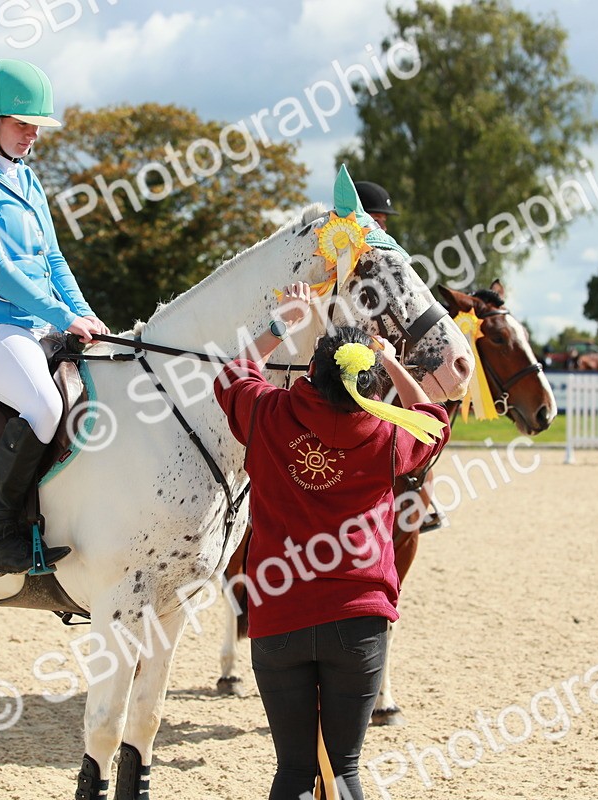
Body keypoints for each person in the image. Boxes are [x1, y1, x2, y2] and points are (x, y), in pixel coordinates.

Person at [213, 283, 449, 800]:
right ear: (365, 385)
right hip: (358, 618)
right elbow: (434, 420)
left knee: (293, 772)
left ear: (311, 375)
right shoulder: (389, 437)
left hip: (278, 616)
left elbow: (232, 374)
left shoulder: (268, 414)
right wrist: (391, 364)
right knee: (343, 772)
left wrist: (282, 324)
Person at [0, 58, 109, 577]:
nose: (31, 135)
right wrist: (60, 314)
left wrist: (84, 315)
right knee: (43, 407)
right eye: (21, 124)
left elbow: (53, 260)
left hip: (32, 322)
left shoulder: (29, 181)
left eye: (36, 126)